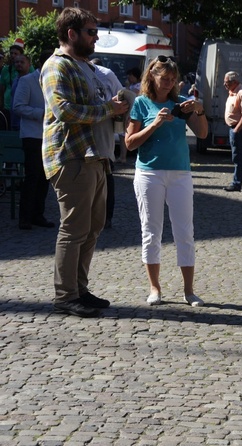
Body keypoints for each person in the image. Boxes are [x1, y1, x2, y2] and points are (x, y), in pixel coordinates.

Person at [41, 7, 129, 317]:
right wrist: (108, 110)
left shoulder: (88, 68)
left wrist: (118, 109)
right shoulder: (56, 66)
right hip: (72, 157)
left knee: (93, 227)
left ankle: (79, 289)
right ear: (71, 34)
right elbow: (65, 110)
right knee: (74, 229)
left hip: (97, 156)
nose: (96, 37)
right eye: (91, 32)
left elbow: (98, 107)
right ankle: (65, 295)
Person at [125, 55, 209, 307]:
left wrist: (198, 109)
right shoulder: (141, 103)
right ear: (152, 76)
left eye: (173, 80)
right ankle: (155, 288)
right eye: (164, 79)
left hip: (180, 173)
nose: (169, 83)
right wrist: (156, 123)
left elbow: (203, 133)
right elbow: (130, 143)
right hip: (149, 173)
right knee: (151, 231)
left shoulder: (181, 103)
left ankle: (189, 290)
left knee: (185, 231)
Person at [90, 57, 134, 230]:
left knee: (106, 180)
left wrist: (119, 114)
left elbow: (124, 99)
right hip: (81, 141)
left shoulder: (106, 75)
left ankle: (107, 217)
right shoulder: (72, 71)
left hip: (104, 138)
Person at [14, 50, 54, 230]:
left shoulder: (53, 81)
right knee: (32, 176)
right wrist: (42, 114)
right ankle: (25, 217)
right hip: (32, 135)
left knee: (45, 178)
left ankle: (38, 214)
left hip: (49, 135)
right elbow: (18, 107)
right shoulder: (27, 80)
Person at [9, 53, 32, 130]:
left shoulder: (32, 81)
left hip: (26, 123)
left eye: (22, 62)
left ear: (29, 64)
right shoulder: (15, 80)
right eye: (17, 62)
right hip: (13, 121)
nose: (19, 64)